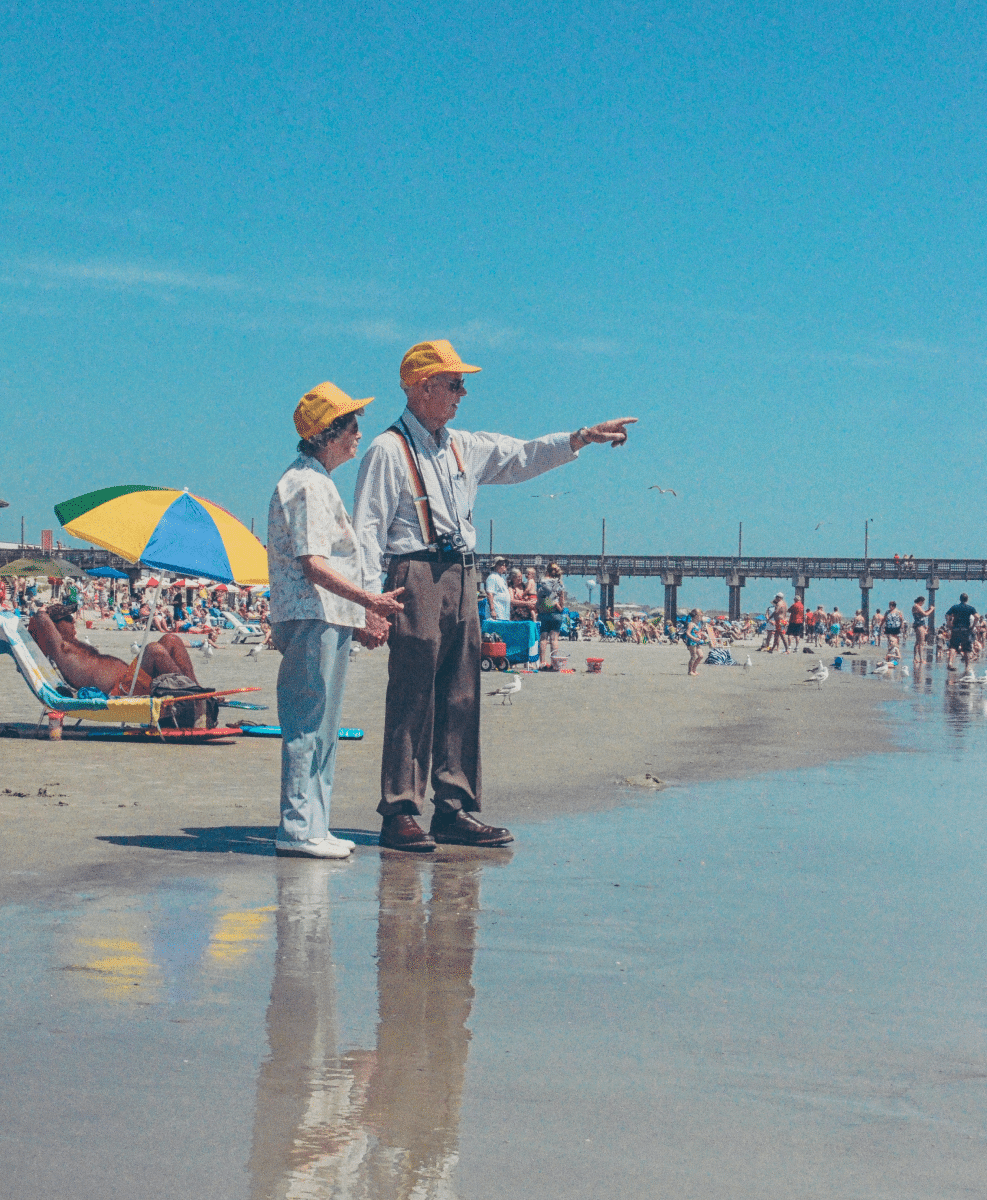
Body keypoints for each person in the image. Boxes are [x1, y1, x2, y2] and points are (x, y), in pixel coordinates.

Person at [353, 338, 636, 852]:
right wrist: (371, 604)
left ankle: (453, 806)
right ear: (421, 388)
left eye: (462, 385)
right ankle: (398, 810)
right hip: (413, 572)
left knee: (462, 694)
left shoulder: (463, 445)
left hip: (463, 574)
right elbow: (367, 530)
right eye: (453, 384)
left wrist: (580, 439)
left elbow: (523, 455)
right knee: (413, 694)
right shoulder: (386, 450)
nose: (462, 394)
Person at [267, 382, 406, 860]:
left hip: (325, 615)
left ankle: (314, 825)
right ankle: (299, 827)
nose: (358, 434)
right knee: (308, 721)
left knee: (324, 724)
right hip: (311, 614)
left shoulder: (317, 480)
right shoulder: (305, 483)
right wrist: (368, 598)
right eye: (350, 425)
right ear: (327, 433)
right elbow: (314, 563)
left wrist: (360, 611)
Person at [28, 602, 202, 696]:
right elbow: (41, 619)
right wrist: (43, 611)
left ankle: (198, 691)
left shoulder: (72, 646)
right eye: (67, 618)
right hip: (123, 690)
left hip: (132, 681)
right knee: (154, 649)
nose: (73, 621)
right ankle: (192, 699)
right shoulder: (61, 651)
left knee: (171, 639)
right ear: (55, 626)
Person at [537, 562, 566, 667]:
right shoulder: (559, 583)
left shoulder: (541, 581)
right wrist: (558, 606)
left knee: (543, 638)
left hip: (544, 612)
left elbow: (539, 597)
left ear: (547, 570)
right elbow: (562, 599)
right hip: (555, 613)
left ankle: (542, 662)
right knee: (554, 639)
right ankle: (554, 663)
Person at [944, 592, 977, 676]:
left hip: (955, 629)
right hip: (965, 630)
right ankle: (967, 666)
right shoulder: (970, 608)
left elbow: (947, 614)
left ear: (960, 599)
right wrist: (973, 626)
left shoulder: (955, 607)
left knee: (953, 646)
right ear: (967, 599)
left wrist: (948, 623)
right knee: (966, 649)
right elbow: (977, 617)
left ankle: (950, 663)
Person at [912, 594, 934, 663]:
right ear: (920, 601)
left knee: (917, 642)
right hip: (919, 625)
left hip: (917, 625)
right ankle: (921, 659)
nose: (923, 604)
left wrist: (929, 610)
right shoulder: (917, 606)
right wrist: (932, 610)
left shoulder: (916, 607)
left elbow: (923, 613)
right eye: (923, 602)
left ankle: (916, 658)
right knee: (921, 643)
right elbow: (925, 614)